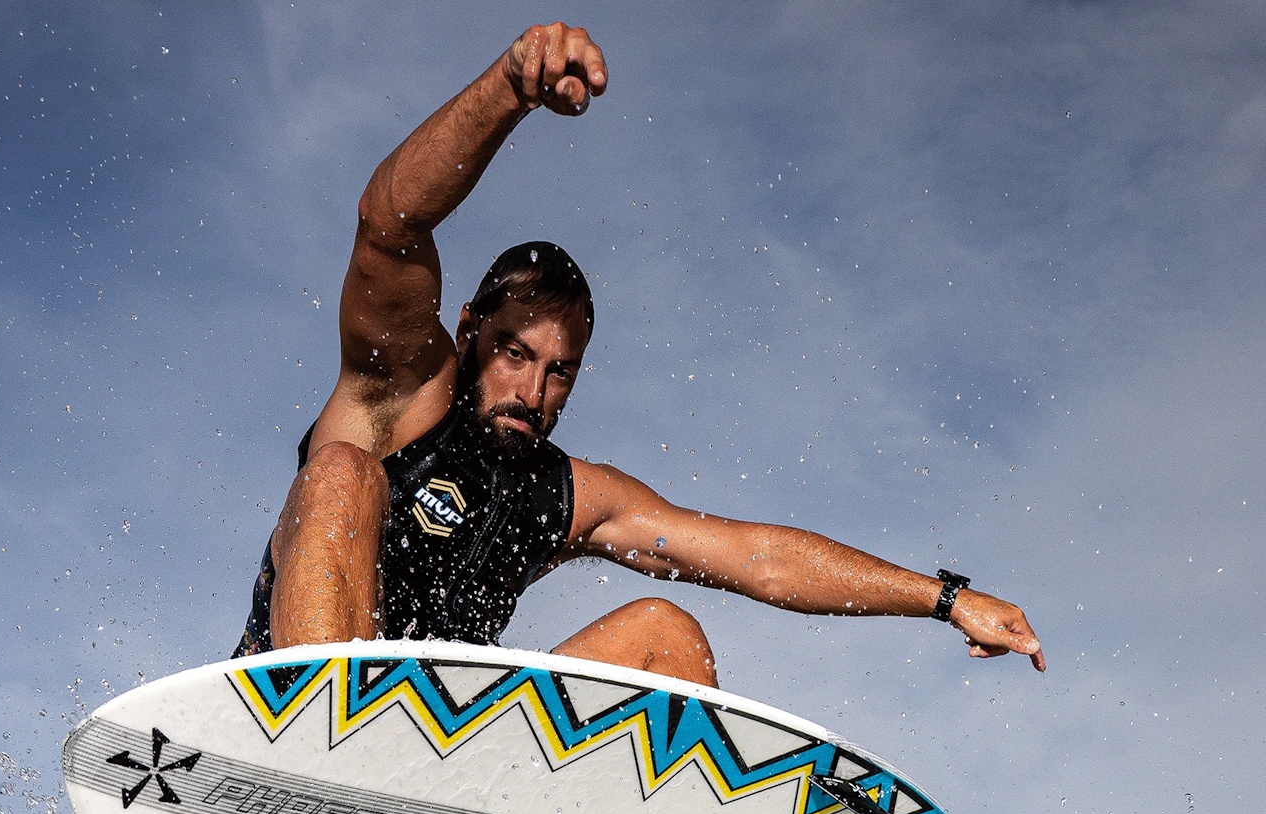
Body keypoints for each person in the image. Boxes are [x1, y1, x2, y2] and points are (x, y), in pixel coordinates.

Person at [234, 22, 1045, 688]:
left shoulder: (569, 497)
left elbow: (756, 560)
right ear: (471, 329)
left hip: (433, 750)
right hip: (296, 712)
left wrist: (946, 599)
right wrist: (509, 90)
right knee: (342, 473)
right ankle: (318, 740)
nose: (532, 392)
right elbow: (389, 223)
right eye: (515, 354)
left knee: (665, 634)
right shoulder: (404, 391)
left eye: (559, 372)